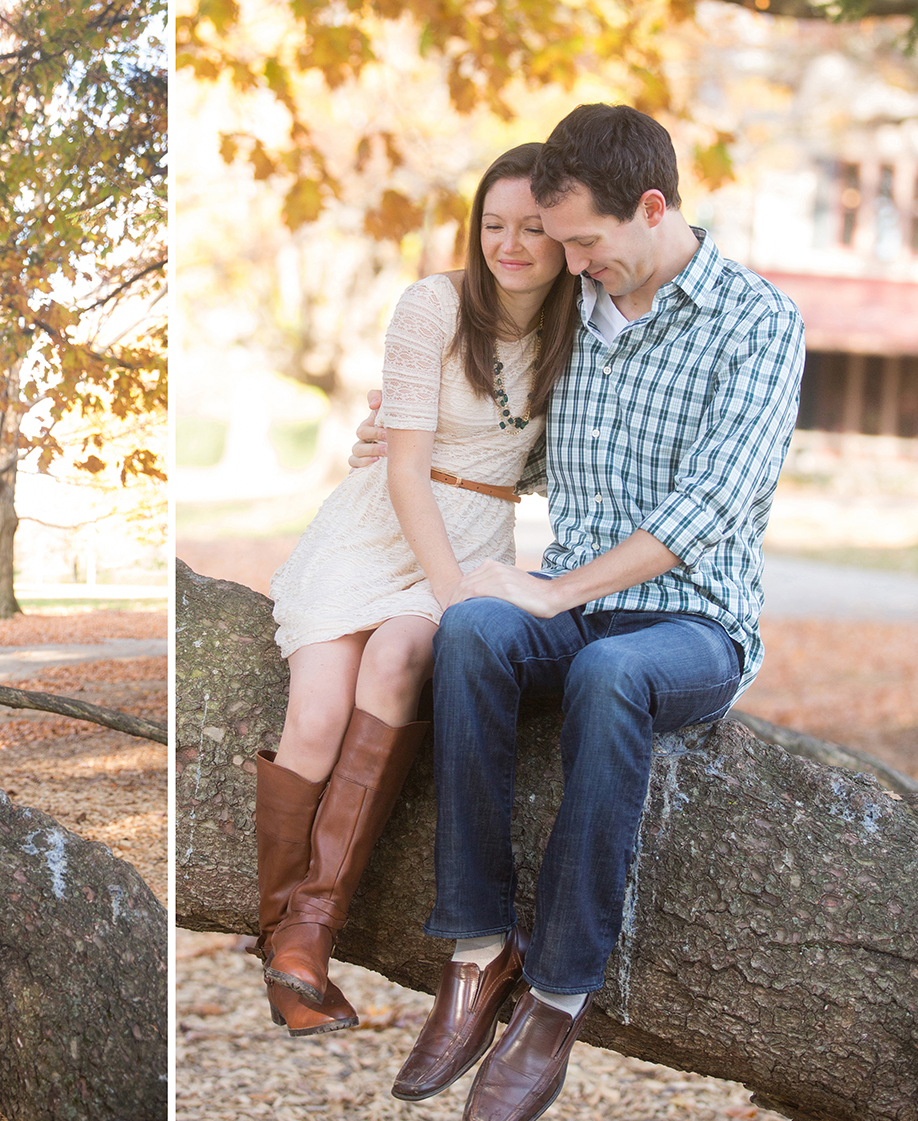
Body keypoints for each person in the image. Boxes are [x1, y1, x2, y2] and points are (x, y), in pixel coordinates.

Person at [352, 106, 804, 1121]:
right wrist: (399, 436)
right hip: (567, 609)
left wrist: (556, 590)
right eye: (562, 245)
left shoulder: (759, 321)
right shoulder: (579, 317)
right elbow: (518, 446)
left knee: (612, 673)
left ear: (651, 209)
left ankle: (556, 996)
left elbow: (714, 502)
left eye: (587, 243)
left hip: (693, 623)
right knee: (469, 628)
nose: (572, 262)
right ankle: (477, 946)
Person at [255, 144, 579, 1038]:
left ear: (562, 235)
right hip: (381, 530)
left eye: (532, 228)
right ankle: (285, 946)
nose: (511, 245)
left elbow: (560, 459)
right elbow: (401, 472)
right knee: (316, 717)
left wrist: (460, 593)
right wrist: (455, 591)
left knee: (401, 655)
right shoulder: (432, 305)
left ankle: (305, 937)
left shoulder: (575, 330)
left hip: (479, 533)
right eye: (494, 225)